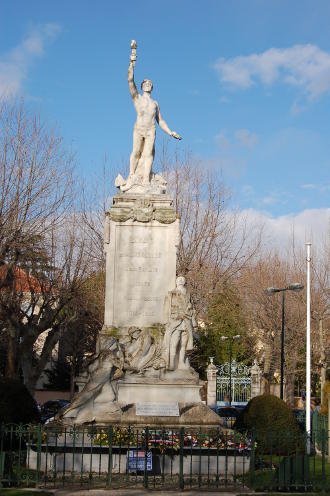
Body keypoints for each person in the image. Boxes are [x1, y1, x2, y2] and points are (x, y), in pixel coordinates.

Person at [126, 40, 181, 187]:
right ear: (143, 86)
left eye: (150, 84)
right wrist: (132, 61)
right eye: (146, 83)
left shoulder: (155, 103)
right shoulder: (137, 98)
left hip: (151, 129)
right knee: (136, 152)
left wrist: (170, 132)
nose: (148, 85)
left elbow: (160, 120)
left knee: (148, 154)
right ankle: (132, 175)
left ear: (152, 87)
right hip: (139, 128)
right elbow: (130, 80)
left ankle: (145, 180)